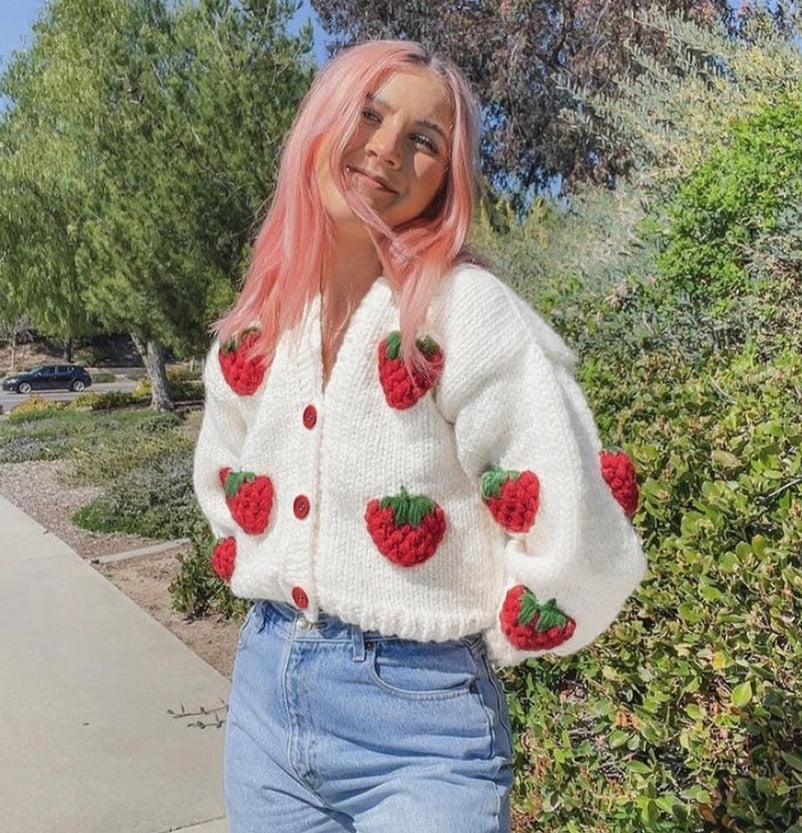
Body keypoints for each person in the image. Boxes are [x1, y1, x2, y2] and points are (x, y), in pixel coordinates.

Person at [193, 39, 646, 833]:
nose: (385, 149)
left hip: (422, 724)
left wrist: (528, 614)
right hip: (266, 698)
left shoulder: (461, 310)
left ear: (444, 178)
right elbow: (227, 478)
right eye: (367, 114)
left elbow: (560, 489)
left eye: (423, 140)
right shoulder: (263, 320)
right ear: (321, 124)